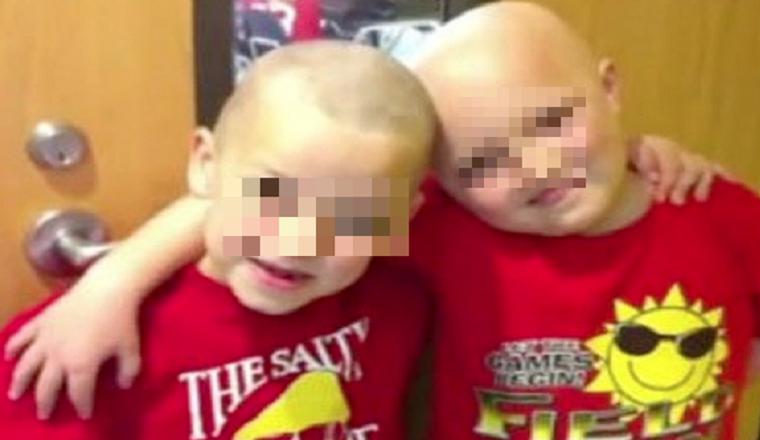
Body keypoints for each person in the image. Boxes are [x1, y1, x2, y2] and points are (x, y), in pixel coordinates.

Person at [0, 41, 435, 440]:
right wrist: (111, 283)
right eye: (273, 194)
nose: (300, 241)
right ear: (206, 164)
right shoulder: (75, 347)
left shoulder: (397, 295)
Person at [406, 2, 760, 438]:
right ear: (441, 179)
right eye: (483, 163)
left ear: (608, 88)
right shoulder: (444, 225)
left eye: (551, 122)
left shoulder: (728, 218)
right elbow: (352, 192)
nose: (536, 168)